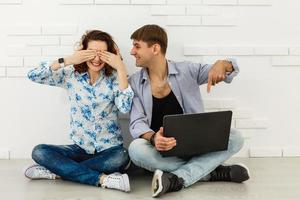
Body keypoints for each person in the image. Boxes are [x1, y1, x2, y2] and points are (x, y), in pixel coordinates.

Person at [127, 24, 250, 197]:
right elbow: (137, 122)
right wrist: (154, 138)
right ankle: (209, 172)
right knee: (135, 149)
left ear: (155, 48)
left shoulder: (187, 70)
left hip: (196, 144)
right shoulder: (134, 82)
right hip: (162, 150)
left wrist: (222, 64)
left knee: (236, 136)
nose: (132, 51)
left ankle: (178, 178)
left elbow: (227, 70)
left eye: (137, 46)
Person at [24, 30, 134, 192]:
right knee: (39, 152)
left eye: (102, 54)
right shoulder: (70, 75)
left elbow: (125, 107)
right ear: (83, 53)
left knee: (122, 157)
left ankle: (58, 171)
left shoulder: (117, 78)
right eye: (91, 53)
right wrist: (67, 60)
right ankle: (102, 179)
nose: (96, 59)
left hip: (109, 150)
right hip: (79, 148)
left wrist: (120, 67)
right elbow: (33, 75)